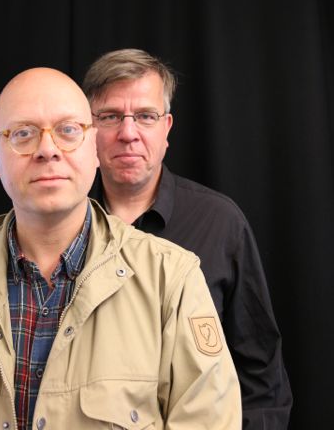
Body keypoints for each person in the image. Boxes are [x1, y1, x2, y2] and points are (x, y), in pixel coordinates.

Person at [0, 67, 241, 430]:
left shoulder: (172, 280)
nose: (47, 150)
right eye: (23, 133)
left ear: (93, 147)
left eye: (68, 130)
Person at [83, 49, 293, 430]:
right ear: (88, 129)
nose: (128, 133)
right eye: (110, 116)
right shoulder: (64, 226)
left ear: (166, 128)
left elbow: (261, 378)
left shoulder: (220, 223)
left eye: (145, 116)